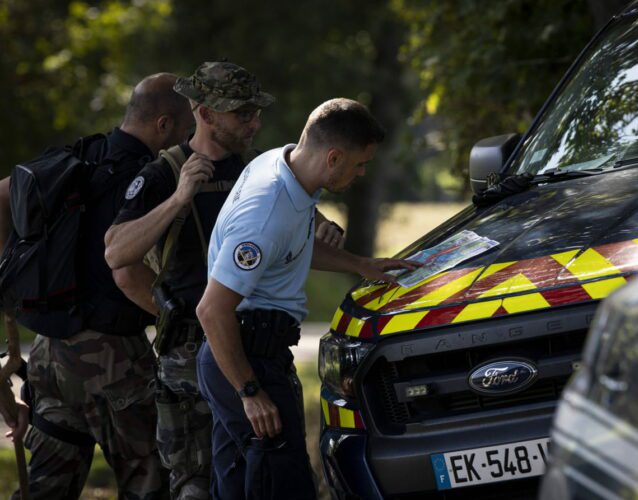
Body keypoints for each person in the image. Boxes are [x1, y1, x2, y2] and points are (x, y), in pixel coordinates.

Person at [103, 62, 345, 500]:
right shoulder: (164, 173)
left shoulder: (263, 171)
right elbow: (117, 254)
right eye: (241, 114)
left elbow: (297, 244)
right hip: (189, 360)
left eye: (256, 112)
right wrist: (179, 197)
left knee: (266, 475)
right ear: (204, 112)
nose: (254, 123)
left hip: (253, 349)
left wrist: (340, 248)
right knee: (197, 487)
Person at [195, 98, 418, 499]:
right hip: (244, 357)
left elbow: (293, 245)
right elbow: (211, 310)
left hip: (251, 353)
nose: (361, 173)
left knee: (238, 487)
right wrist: (250, 393)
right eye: (359, 164)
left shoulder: (281, 167)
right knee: (281, 485)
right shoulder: (267, 211)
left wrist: (359, 264)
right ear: (333, 157)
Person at [1, 72, 193, 499]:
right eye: (185, 128)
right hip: (114, 359)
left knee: (47, 486)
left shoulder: (79, 157)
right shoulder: (150, 179)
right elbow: (125, 275)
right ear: (163, 124)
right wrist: (177, 320)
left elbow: (0, 197)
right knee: (150, 482)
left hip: (50, 352)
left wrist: (10, 282)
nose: (187, 138)